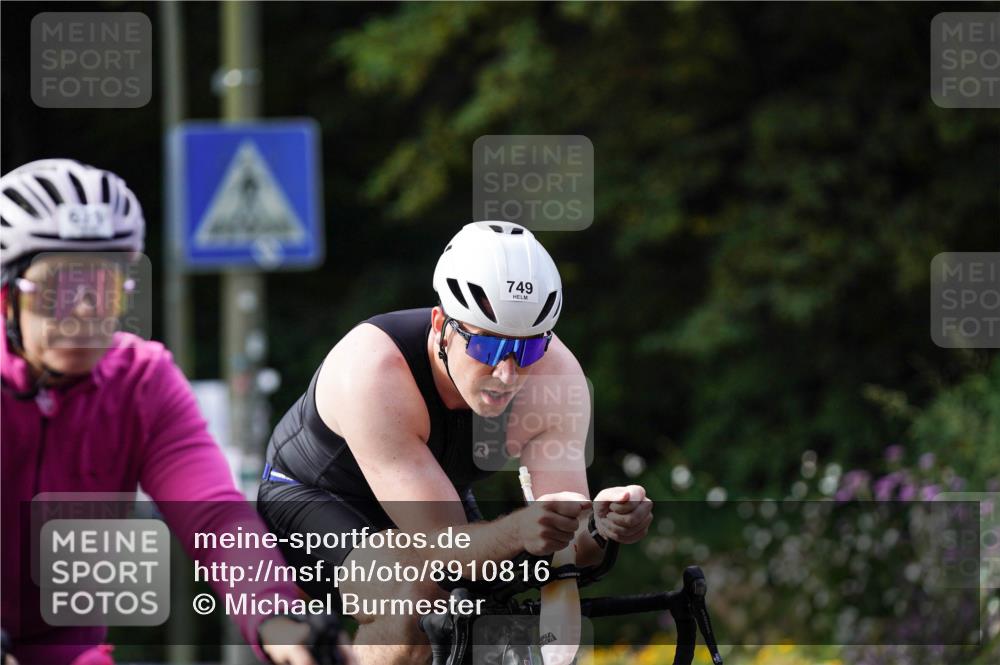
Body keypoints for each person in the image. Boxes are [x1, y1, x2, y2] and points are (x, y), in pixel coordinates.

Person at [0, 159, 354, 665]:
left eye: (103, 286)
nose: (83, 310)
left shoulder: (141, 381)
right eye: (58, 288)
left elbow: (215, 516)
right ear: (8, 296)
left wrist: (279, 619)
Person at [258, 220, 654, 665]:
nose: (507, 374)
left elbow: (566, 553)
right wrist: (522, 529)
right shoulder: (374, 372)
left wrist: (602, 525)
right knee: (419, 603)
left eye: (526, 350)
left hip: (429, 498)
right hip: (316, 495)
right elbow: (443, 552)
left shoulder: (556, 378)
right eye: (487, 348)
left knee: (489, 619)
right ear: (441, 324)